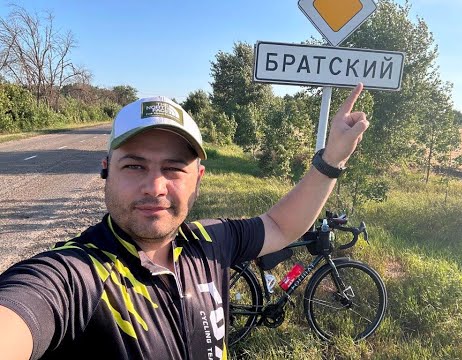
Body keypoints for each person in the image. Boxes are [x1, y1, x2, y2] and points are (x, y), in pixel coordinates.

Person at [0, 84, 369, 360]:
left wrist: (331, 159)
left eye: (174, 168)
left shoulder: (211, 241)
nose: (155, 187)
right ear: (106, 170)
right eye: (134, 165)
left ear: (199, 179)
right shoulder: (74, 275)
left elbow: (281, 226)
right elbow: (19, 312)